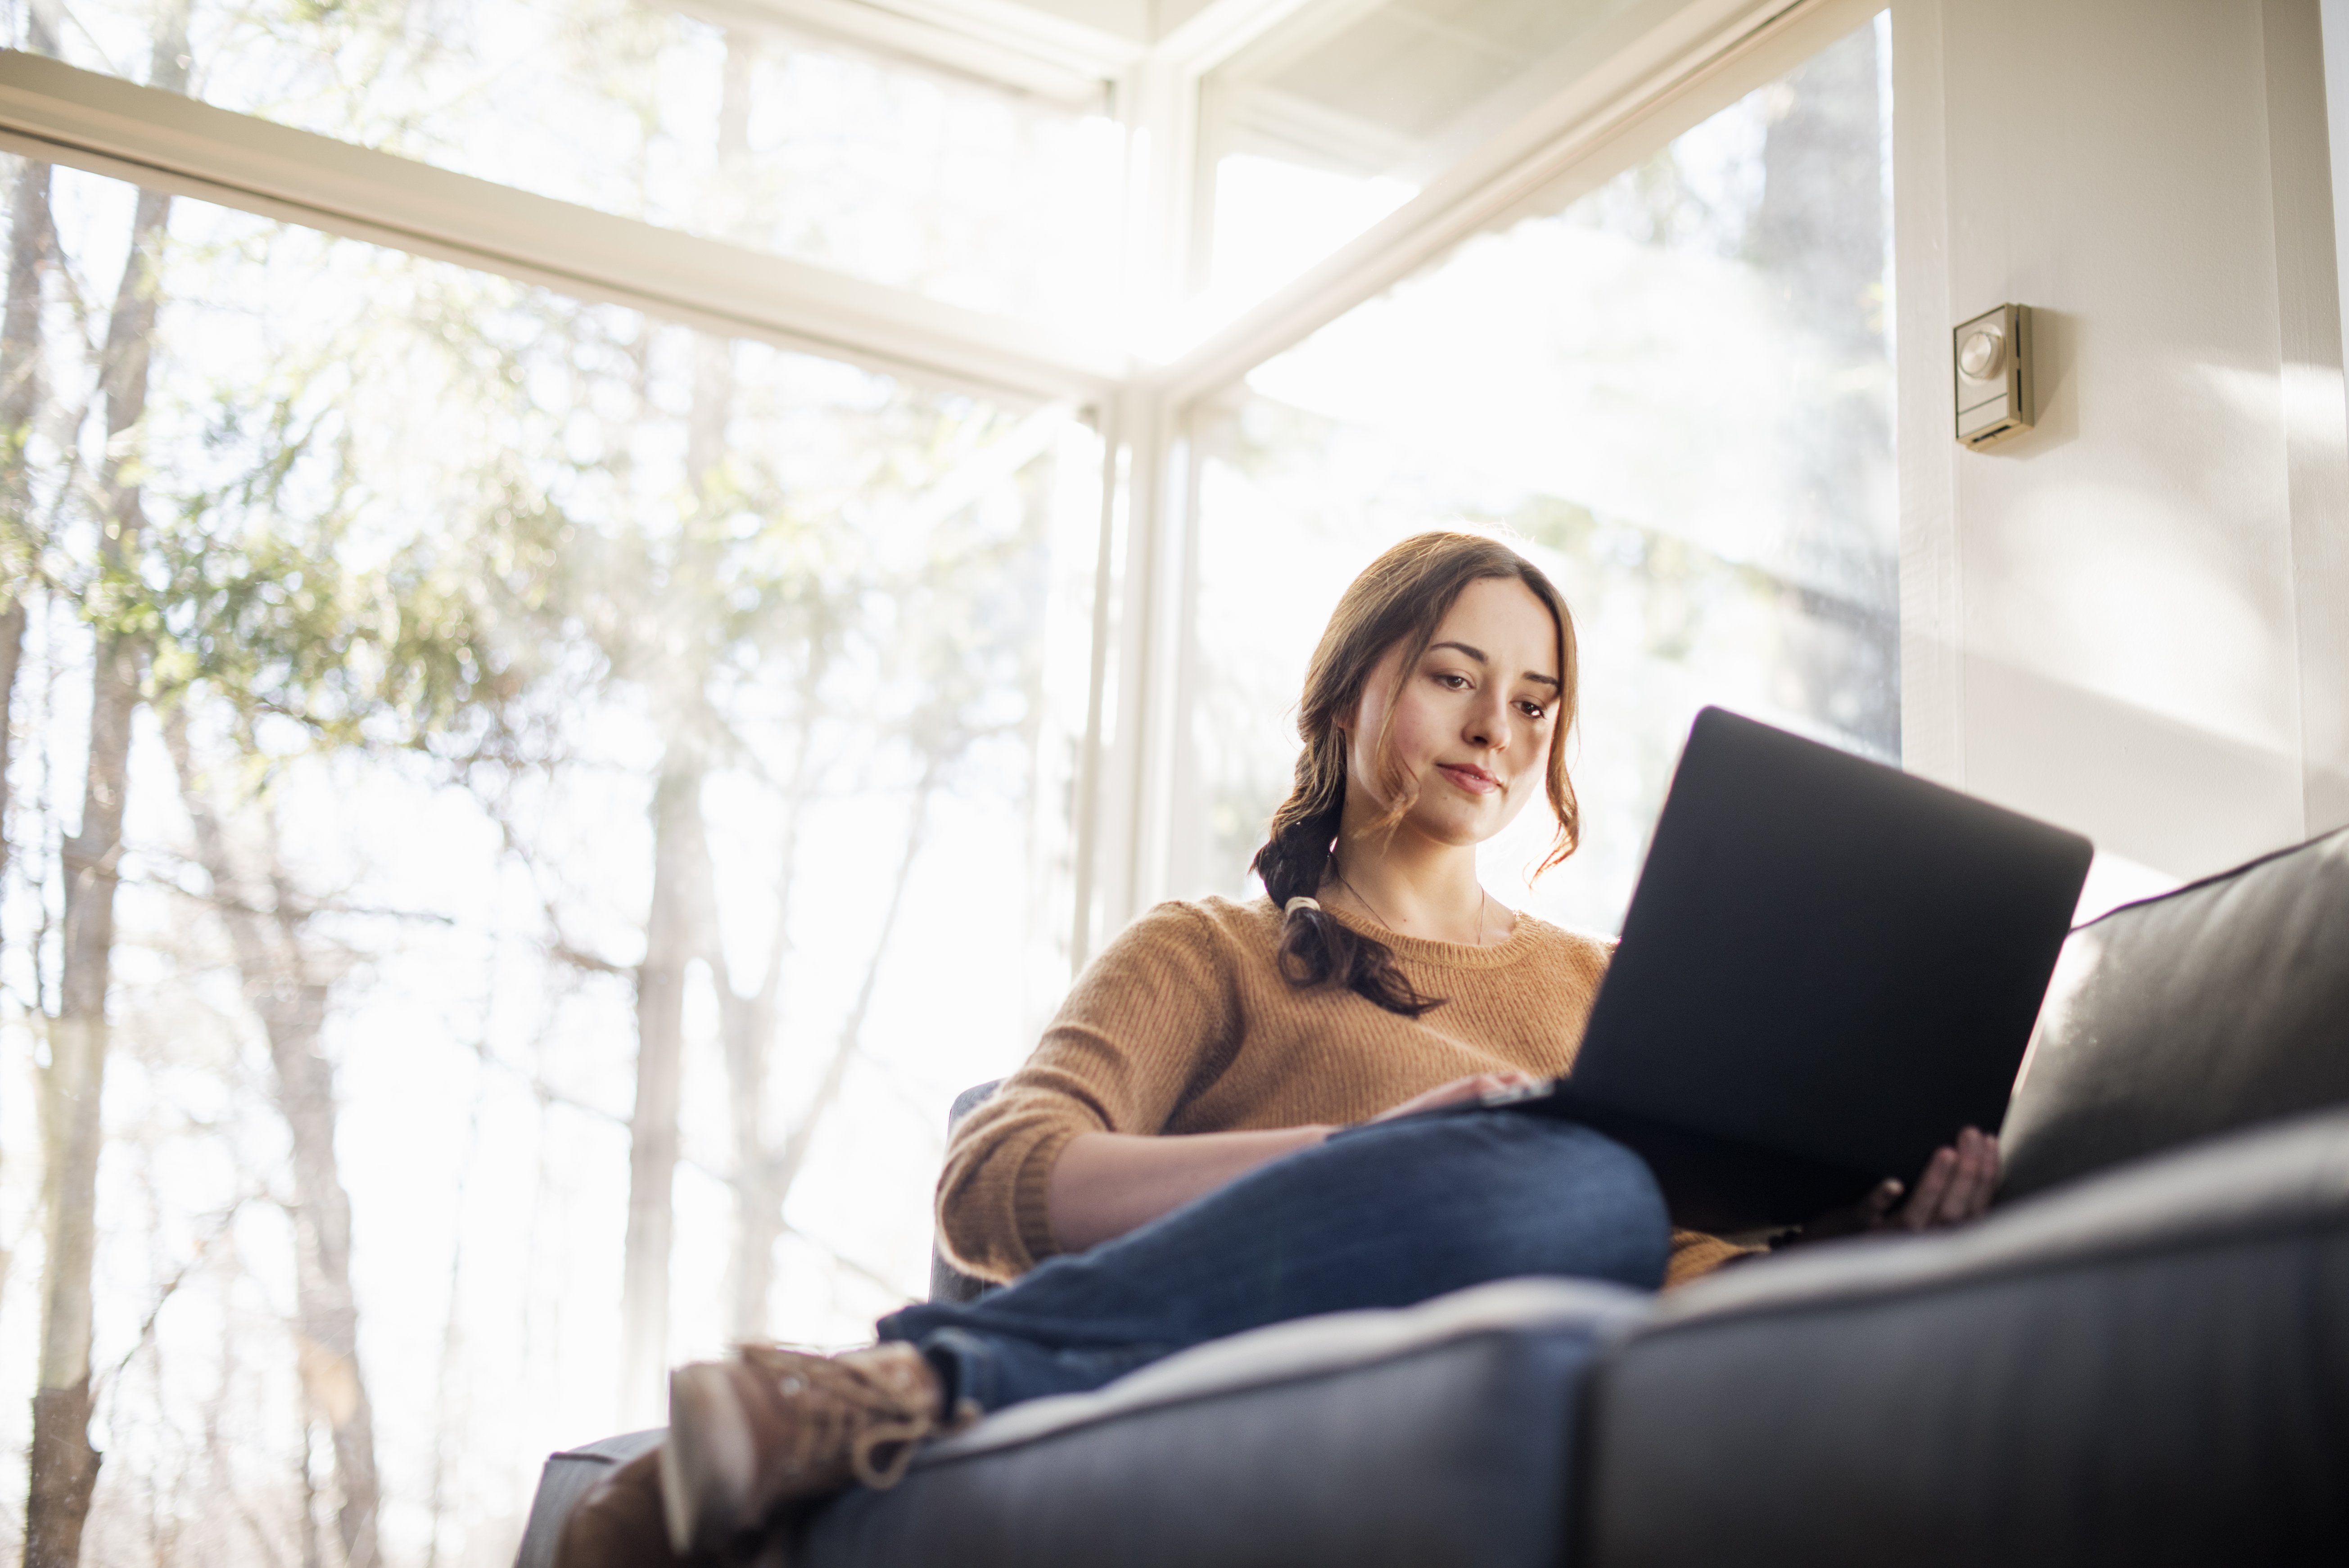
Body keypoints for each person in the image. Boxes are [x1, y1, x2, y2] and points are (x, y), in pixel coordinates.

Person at [557, 531, 2001, 1568]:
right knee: (1582, 1187)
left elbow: (1671, 1275)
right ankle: (883, 1389)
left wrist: (1859, 1241)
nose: (1497, 724)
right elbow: (991, 1175)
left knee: (1610, 1205)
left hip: (1559, 1358)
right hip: (1287, 1345)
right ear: (1350, 687)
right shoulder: (1210, 950)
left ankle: (869, 1395)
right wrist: (1363, 1156)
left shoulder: (1611, 988)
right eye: (1453, 675)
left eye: (1536, 701)